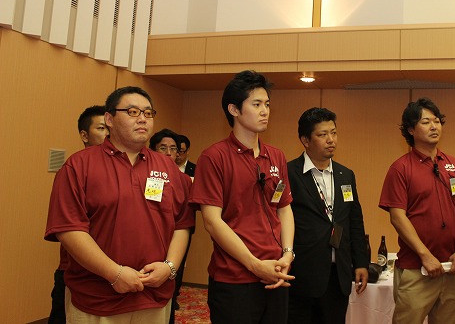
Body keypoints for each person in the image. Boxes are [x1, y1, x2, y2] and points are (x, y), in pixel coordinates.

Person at [45, 86, 194, 323]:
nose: (143, 119)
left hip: (154, 295)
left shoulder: (168, 168)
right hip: (96, 298)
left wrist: (170, 267)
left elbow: (182, 224)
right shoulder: (79, 166)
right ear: (109, 119)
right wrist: (114, 274)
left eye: (148, 113)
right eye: (133, 112)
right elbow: (69, 230)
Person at [190, 70, 295, 324]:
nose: (265, 111)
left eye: (267, 104)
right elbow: (212, 221)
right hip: (234, 279)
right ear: (234, 109)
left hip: (276, 272)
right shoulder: (214, 157)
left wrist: (287, 254)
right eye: (256, 104)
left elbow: (284, 208)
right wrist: (254, 264)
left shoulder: (276, 156)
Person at [379, 98, 455, 324]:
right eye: (426, 122)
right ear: (411, 130)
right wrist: (425, 255)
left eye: (437, 121)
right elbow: (397, 217)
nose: (434, 126)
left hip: (453, 268)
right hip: (416, 269)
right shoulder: (400, 168)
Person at [287, 107, 369, 324]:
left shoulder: (345, 175)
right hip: (302, 274)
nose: (331, 140)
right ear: (305, 140)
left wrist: (361, 262)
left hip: (338, 273)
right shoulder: (290, 173)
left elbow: (354, 221)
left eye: (333, 133)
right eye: (322, 134)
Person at [47, 105, 108, 324]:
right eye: (101, 128)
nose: (108, 134)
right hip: (75, 270)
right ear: (84, 135)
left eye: (110, 128)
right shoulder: (73, 169)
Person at [149, 128, 196, 324]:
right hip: (151, 238)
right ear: (152, 150)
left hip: (177, 235)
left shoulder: (184, 180)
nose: (169, 153)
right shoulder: (148, 175)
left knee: (171, 280)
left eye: (173, 148)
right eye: (163, 148)